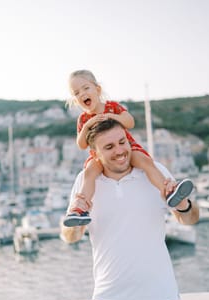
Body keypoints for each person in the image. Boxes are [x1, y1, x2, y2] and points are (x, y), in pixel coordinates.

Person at [61, 119, 199, 300]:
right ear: (95, 154)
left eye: (122, 142)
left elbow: (191, 218)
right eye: (109, 147)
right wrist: (74, 224)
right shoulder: (86, 182)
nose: (120, 151)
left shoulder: (155, 172)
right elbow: (70, 237)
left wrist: (184, 206)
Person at [63, 69, 193, 227]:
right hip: (99, 155)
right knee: (90, 172)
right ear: (75, 100)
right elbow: (82, 144)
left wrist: (113, 117)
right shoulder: (83, 119)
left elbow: (130, 122)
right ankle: (80, 208)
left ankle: (168, 191)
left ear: (97, 90)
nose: (82, 94)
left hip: (129, 147)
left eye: (86, 88)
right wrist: (87, 126)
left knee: (145, 162)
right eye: (76, 93)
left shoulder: (112, 107)